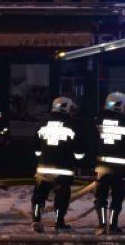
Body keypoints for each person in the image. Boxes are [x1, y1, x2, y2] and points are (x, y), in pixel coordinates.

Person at [31, 97, 86, 232]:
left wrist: (42, 158)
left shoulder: (41, 124)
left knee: (39, 196)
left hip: (43, 169)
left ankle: (36, 221)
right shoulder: (73, 126)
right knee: (62, 197)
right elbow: (79, 151)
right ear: (66, 108)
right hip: (64, 170)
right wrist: (78, 161)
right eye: (71, 109)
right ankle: (59, 222)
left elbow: (36, 149)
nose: (73, 112)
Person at [93, 92, 125, 235]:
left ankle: (101, 225)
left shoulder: (99, 118)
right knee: (117, 198)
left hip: (102, 167)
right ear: (120, 105)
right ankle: (112, 225)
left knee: (101, 196)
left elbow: (92, 138)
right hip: (120, 168)